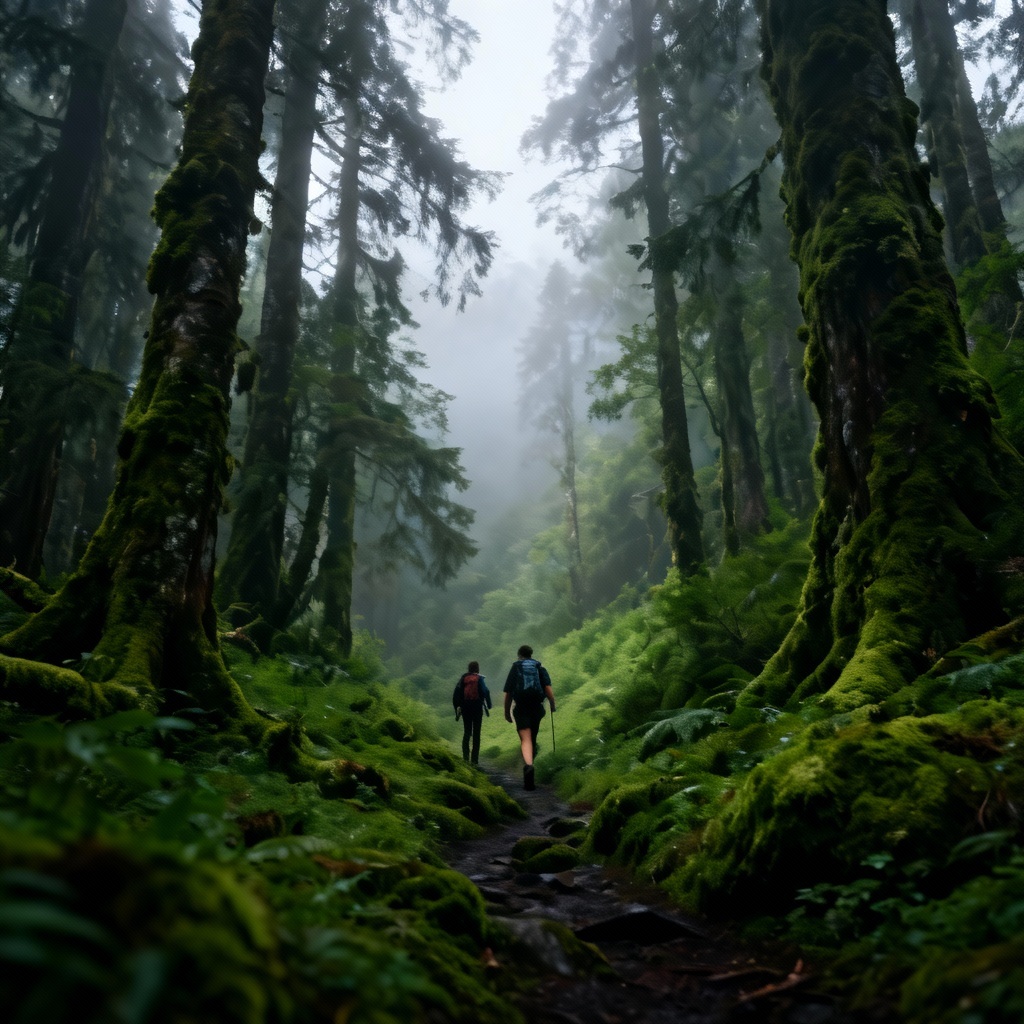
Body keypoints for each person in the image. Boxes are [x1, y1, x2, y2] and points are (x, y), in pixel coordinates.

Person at [503, 644, 555, 790]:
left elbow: (508, 693)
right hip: (537, 708)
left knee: (525, 739)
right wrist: (552, 704)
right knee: (533, 737)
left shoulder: (516, 667)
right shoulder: (539, 667)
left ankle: (529, 766)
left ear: (519, 655)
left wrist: (507, 712)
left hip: (521, 708)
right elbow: (547, 688)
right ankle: (531, 762)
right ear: (531, 654)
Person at [452, 660, 491, 765]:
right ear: (477, 669)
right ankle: (474, 760)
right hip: (477, 708)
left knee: (467, 731)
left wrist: (457, 708)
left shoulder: (463, 678)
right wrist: (489, 705)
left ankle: (465, 758)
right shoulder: (479, 678)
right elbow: (486, 691)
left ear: (469, 669)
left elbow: (456, 694)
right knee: (476, 733)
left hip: (466, 708)